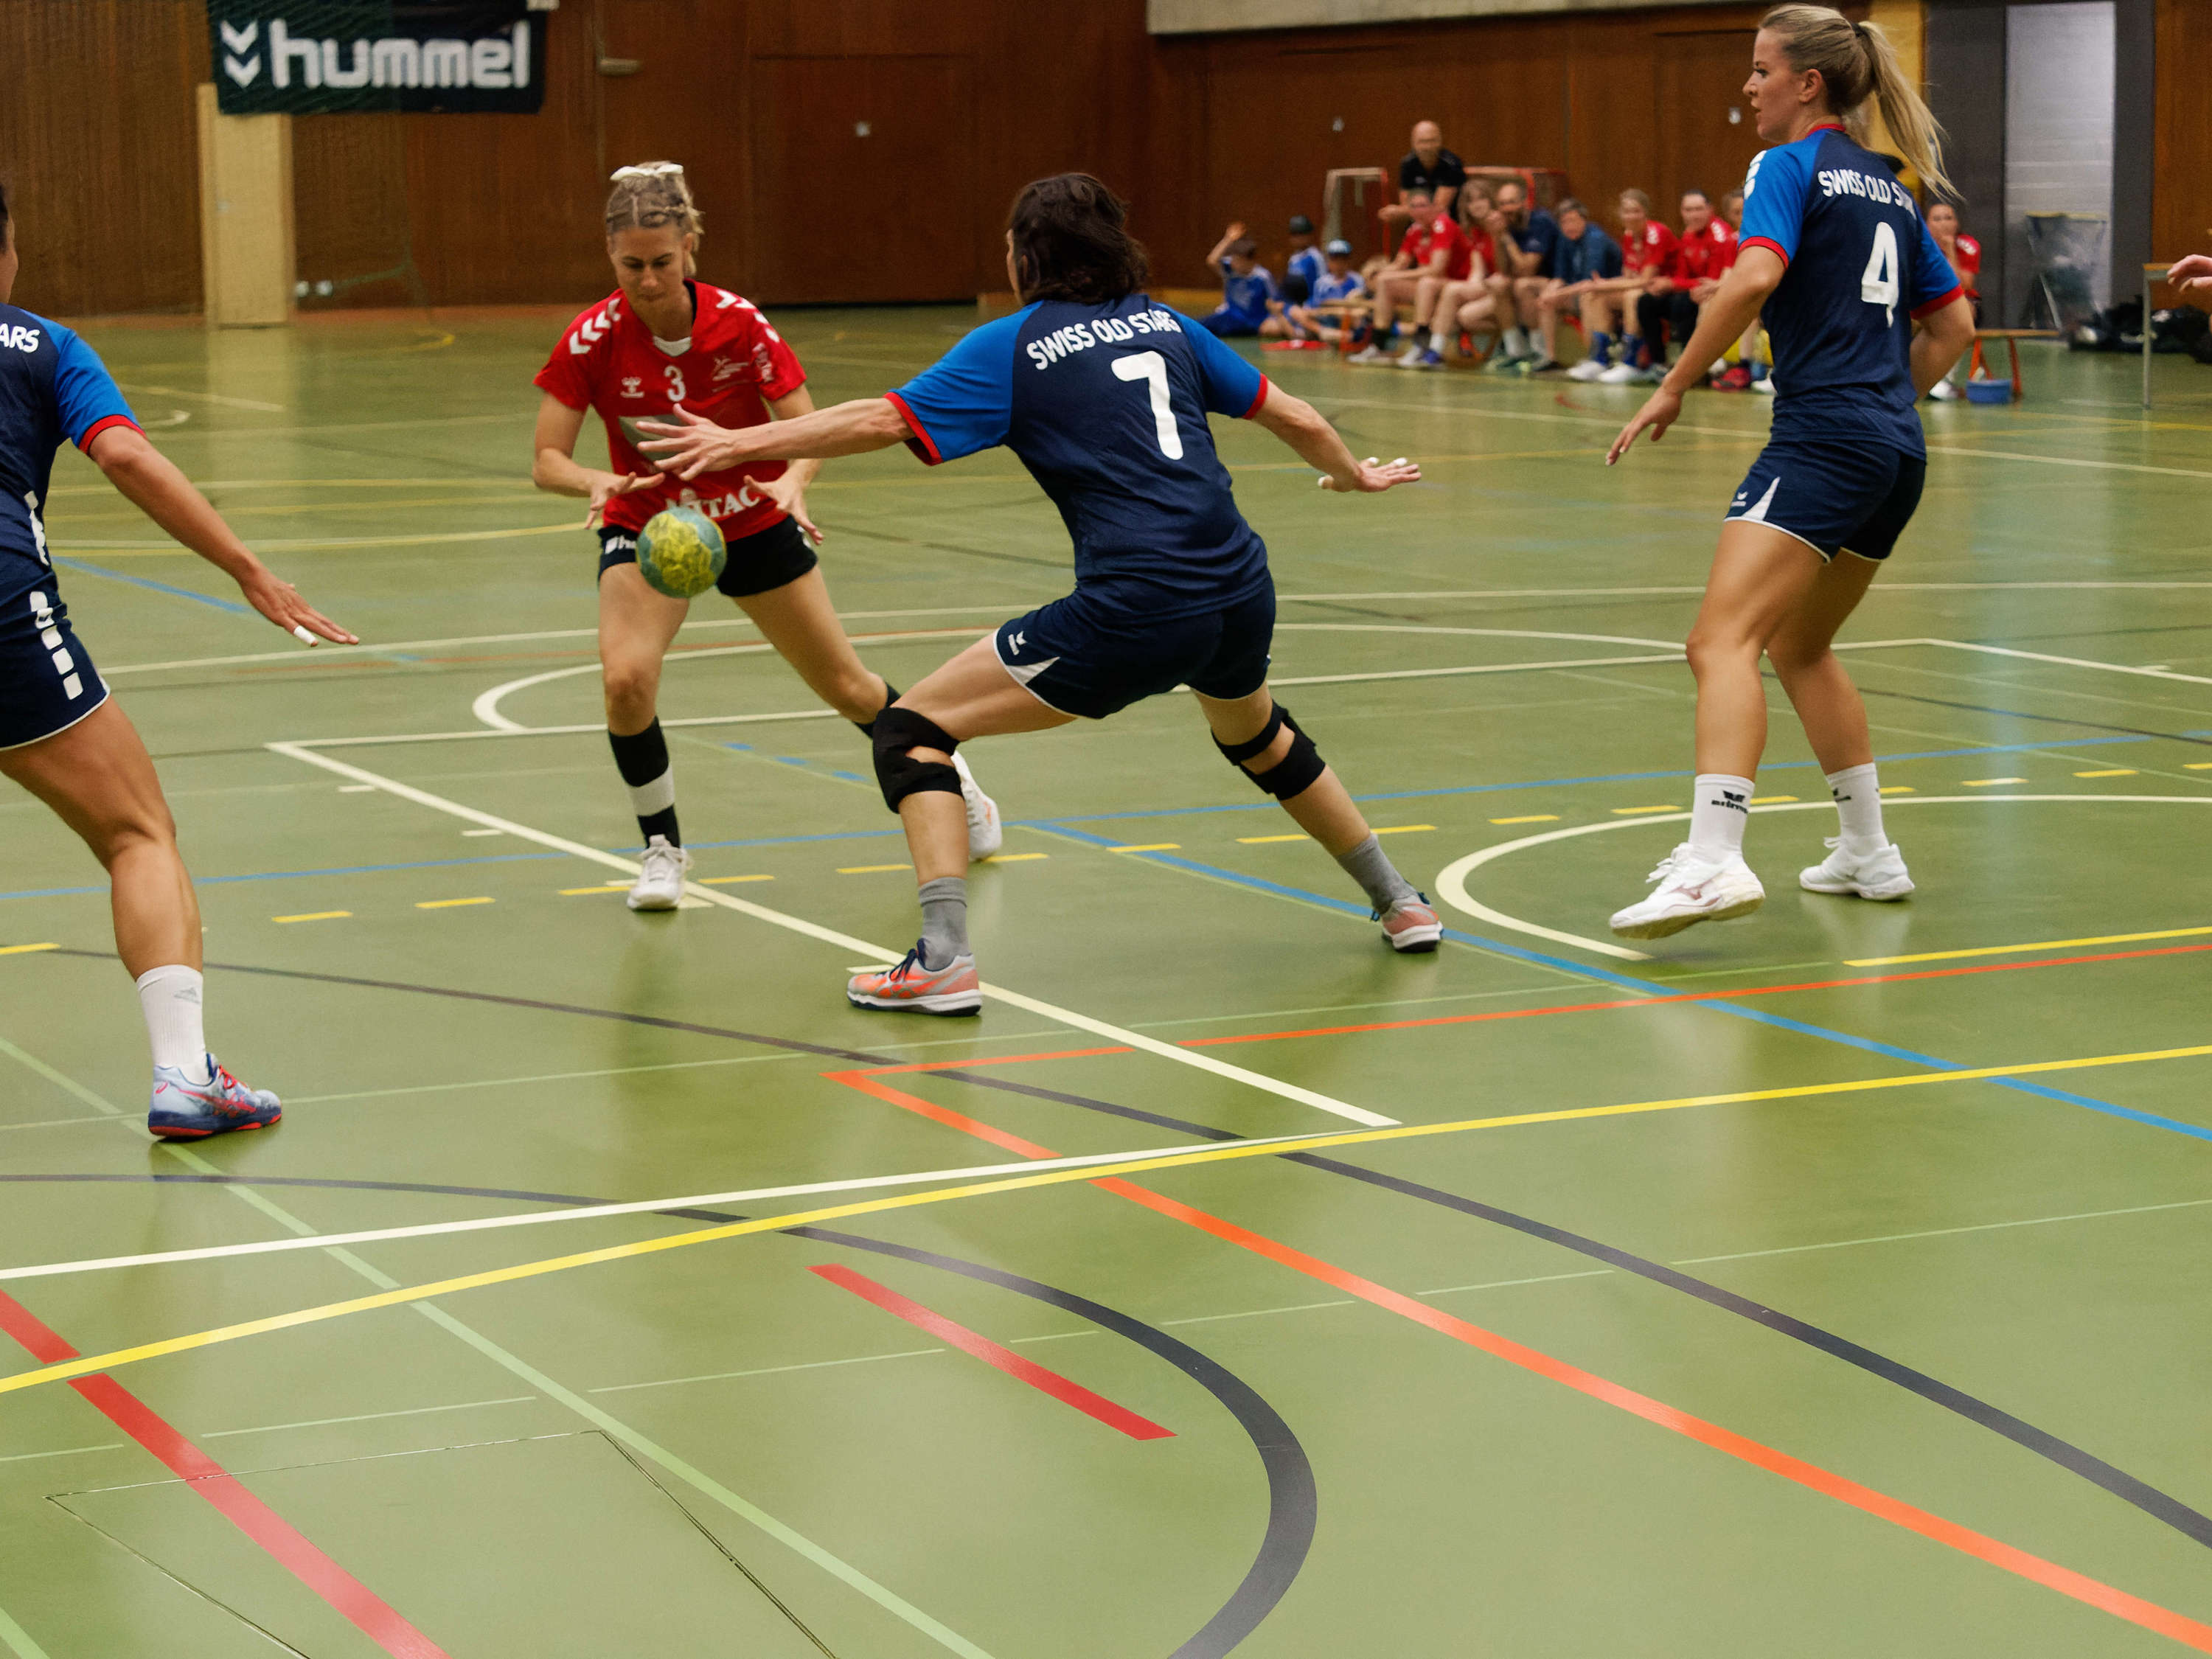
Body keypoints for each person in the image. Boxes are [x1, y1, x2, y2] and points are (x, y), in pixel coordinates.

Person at [638, 174, 1441, 1013]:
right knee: (1261, 736)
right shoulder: (1168, 323)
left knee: (911, 731)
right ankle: (1401, 902)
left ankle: (942, 958)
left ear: (1025, 257)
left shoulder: (1013, 346)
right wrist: (1351, 478)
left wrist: (739, 442)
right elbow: (1300, 417)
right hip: (1240, 585)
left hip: (1137, 605)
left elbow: (881, 420)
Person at [532, 163, 1001, 912]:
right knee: (626, 682)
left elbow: (806, 426)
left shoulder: (741, 324)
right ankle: (662, 849)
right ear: (611, 256)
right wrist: (590, 480)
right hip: (650, 526)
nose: (648, 281)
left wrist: (794, 480)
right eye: (631, 266)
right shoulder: (593, 338)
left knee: (846, 686)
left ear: (689, 248)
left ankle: (955, 783)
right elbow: (545, 459)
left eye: (661, 263)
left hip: (750, 518)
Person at [1602, 4, 1975, 939]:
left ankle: (1714, 862)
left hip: (1824, 441)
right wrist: (1889, 402)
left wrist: (1675, 383)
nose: (1749, 84)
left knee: (1717, 644)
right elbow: (1955, 328)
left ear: (1808, 83)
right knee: (1800, 645)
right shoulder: (1890, 186)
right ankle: (1868, 852)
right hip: (1895, 453)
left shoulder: (1787, 165)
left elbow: (1753, 277)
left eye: (1761, 68)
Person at [0, 183, 356, 1138]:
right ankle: (183, 1075)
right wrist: (248, 568)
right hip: (4, 622)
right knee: (136, 833)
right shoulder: (42, 349)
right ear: (10, 251)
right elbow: (124, 456)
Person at [1346, 189, 1465, 364]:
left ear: (1435, 207)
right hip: (1430, 287)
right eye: (1414, 207)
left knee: (1426, 283)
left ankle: (1420, 346)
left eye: (1423, 206)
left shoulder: (1443, 225)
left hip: (1456, 284)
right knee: (1385, 282)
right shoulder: (1414, 231)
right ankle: (1377, 346)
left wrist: (1397, 275)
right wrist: (1379, 273)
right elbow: (1399, 264)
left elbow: (1436, 269)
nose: (1418, 211)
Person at [1638, 189, 1736, 379]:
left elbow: (1710, 281)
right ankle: (1658, 363)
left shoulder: (1719, 235)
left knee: (1682, 303)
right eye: (1688, 210)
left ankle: (1689, 366)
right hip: (1691, 290)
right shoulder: (1688, 234)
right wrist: (1671, 283)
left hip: (1712, 291)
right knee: (1647, 302)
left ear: (1710, 210)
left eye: (1698, 209)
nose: (1693, 215)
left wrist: (1673, 284)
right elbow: (1683, 275)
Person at [1596, 189, 1679, 383]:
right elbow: (1629, 274)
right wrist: (1601, 287)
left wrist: (1606, 284)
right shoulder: (1628, 236)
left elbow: (1646, 280)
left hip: (1669, 289)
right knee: (1596, 296)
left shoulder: (1657, 233)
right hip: (1646, 288)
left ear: (1646, 212)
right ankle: (1599, 359)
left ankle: (1630, 362)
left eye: (1636, 211)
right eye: (1626, 211)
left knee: (1632, 296)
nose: (1631, 216)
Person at [1478, 181, 1561, 371]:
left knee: (1523, 285)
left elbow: (1527, 269)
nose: (1507, 209)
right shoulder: (1509, 224)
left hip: (1554, 281)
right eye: (1502, 204)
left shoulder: (1540, 220)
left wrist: (1506, 238)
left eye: (1511, 202)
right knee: (1498, 284)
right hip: (1525, 281)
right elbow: (1503, 270)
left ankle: (1538, 351)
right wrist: (1496, 237)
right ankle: (1516, 351)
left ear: (1525, 202)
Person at [1540, 200, 1626, 378]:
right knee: (1547, 301)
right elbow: (1560, 276)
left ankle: (1596, 358)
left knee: (1588, 298)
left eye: (1573, 220)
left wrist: (1559, 293)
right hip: (1579, 291)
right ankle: (1550, 357)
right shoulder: (1565, 239)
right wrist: (1550, 291)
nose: (1569, 226)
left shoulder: (1595, 239)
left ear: (1584, 220)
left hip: (1608, 292)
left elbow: (1590, 283)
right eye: (1564, 222)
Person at [1923, 201, 1980, 399]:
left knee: (1960, 312)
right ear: (1926, 224)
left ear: (1957, 223)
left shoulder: (1968, 245)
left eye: (1949, 218)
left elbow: (1963, 286)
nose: (1943, 223)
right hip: (1924, 304)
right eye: (1937, 219)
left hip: (1962, 303)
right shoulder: (1919, 245)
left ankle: (1945, 380)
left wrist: (1950, 251)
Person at [1278, 239, 1367, 344]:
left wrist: (1336, 311)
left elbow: (1360, 308)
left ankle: (1339, 336)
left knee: (1356, 316)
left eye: (1343, 259)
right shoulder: (1322, 283)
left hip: (1346, 320)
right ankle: (1325, 333)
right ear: (1329, 261)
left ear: (1349, 260)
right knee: (1295, 311)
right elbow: (1314, 305)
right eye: (1335, 259)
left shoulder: (1357, 280)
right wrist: (1313, 312)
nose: (1339, 263)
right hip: (1323, 321)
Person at [1382, 121, 1467, 229]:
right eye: (1422, 142)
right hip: (1419, 225)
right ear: (1413, 143)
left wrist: (1399, 212)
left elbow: (1439, 208)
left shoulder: (1452, 164)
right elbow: (1406, 205)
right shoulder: (1408, 164)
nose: (1427, 147)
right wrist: (1403, 211)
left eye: (1432, 141)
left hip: (1450, 224)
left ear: (1440, 141)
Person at [1201, 225, 1279, 337]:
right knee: (1203, 325)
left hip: (1251, 322)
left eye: (1237, 260)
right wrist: (1228, 239)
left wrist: (1271, 320)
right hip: (1229, 316)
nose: (1233, 262)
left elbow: (1275, 301)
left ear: (1249, 261)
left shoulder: (1262, 277)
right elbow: (1212, 260)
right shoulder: (1230, 271)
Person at [1283, 214, 1325, 302]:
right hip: (1294, 305)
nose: (1298, 238)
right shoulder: (1293, 259)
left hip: (1312, 304)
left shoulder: (1316, 257)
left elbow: (1322, 284)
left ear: (1309, 235)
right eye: (1295, 235)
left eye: (1301, 234)